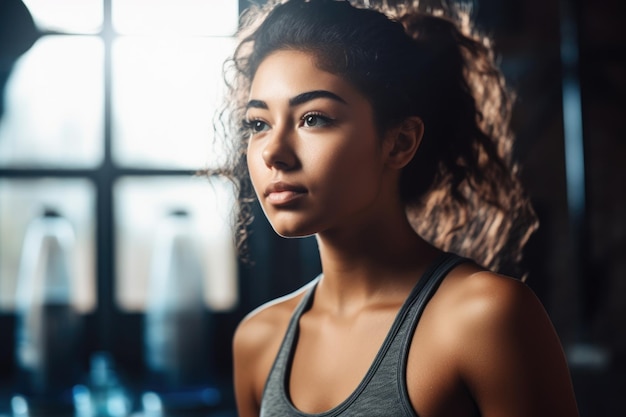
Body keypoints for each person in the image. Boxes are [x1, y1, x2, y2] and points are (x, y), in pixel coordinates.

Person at [213, 0, 580, 416]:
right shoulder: (259, 340)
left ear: (400, 142)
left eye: (313, 118)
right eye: (258, 124)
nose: (273, 153)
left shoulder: (484, 317)